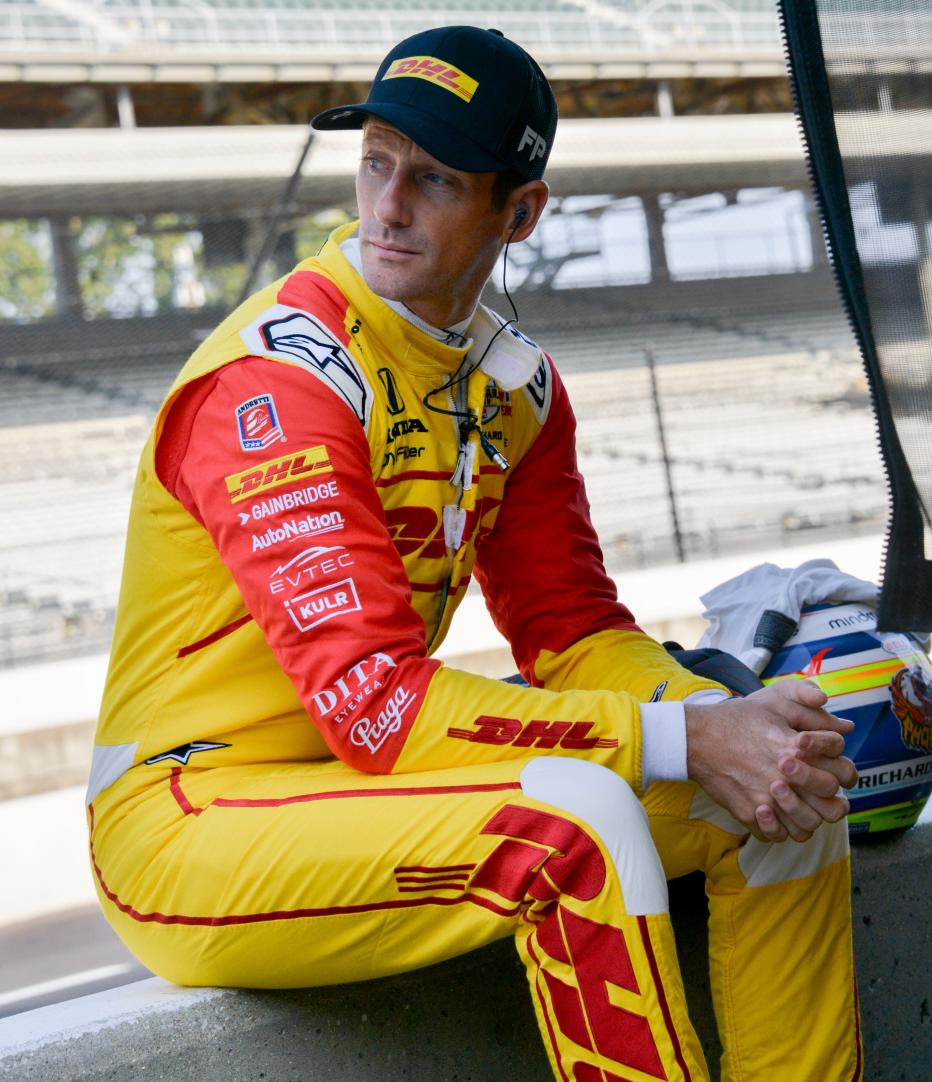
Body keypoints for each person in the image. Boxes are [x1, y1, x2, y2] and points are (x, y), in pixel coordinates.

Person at [87, 25, 862, 1081]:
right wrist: (685, 733)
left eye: (437, 177)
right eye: (376, 162)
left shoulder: (514, 386)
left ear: (520, 212)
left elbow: (575, 629)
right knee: (574, 823)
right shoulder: (280, 382)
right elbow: (383, 709)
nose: (390, 204)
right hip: (184, 815)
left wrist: (734, 725)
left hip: (363, 795)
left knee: (785, 794)